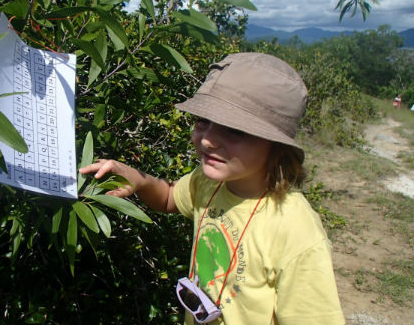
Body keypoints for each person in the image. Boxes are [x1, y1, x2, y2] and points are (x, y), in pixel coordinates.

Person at [80, 53, 345, 325]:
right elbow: (171, 197)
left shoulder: (296, 231)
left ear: (276, 145)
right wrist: (138, 179)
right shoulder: (208, 182)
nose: (207, 140)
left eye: (234, 130)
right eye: (202, 121)